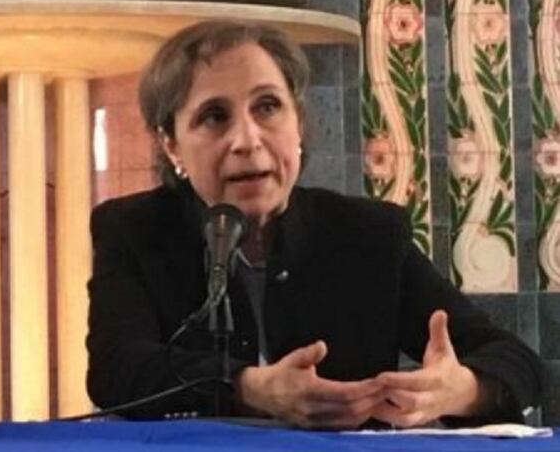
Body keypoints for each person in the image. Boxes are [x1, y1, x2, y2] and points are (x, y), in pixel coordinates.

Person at [86, 21, 543, 429]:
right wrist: (248, 387)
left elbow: (516, 361)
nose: (247, 140)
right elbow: (117, 370)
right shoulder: (132, 229)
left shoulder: (368, 233)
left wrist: (460, 389)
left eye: (267, 107)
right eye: (214, 116)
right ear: (172, 146)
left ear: (298, 124)